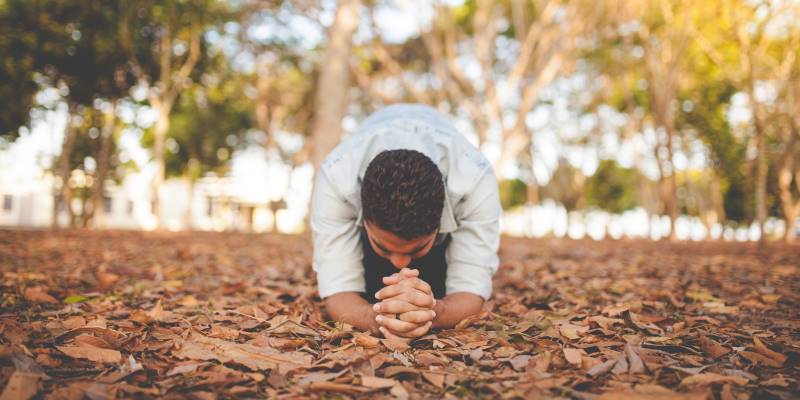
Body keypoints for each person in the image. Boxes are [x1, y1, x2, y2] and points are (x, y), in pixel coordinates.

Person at [310, 104, 501, 340]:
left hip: (442, 246)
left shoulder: (474, 178)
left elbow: (471, 289)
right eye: (384, 246)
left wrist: (434, 312)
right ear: (364, 218)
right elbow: (338, 290)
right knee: (373, 287)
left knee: (435, 283)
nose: (400, 263)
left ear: (439, 223)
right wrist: (375, 317)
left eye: (418, 247)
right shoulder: (337, 177)